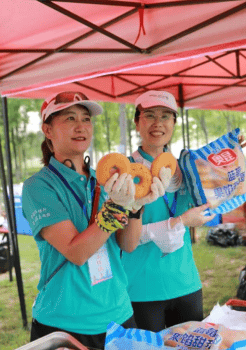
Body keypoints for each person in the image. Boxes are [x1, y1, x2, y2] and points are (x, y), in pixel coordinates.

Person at [21, 91, 159, 349]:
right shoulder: (38, 187)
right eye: (70, 118)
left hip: (118, 314)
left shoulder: (105, 180)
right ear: (47, 130)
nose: (81, 126)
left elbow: (127, 245)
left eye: (86, 119)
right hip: (65, 323)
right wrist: (115, 208)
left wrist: (135, 208)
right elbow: (76, 251)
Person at [121, 90, 215, 332]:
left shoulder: (185, 168)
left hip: (186, 282)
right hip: (142, 287)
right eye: (149, 115)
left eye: (165, 116)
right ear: (137, 122)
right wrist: (181, 221)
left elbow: (209, 203)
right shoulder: (124, 172)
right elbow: (123, 238)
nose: (157, 123)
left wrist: (233, 158)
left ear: (174, 123)